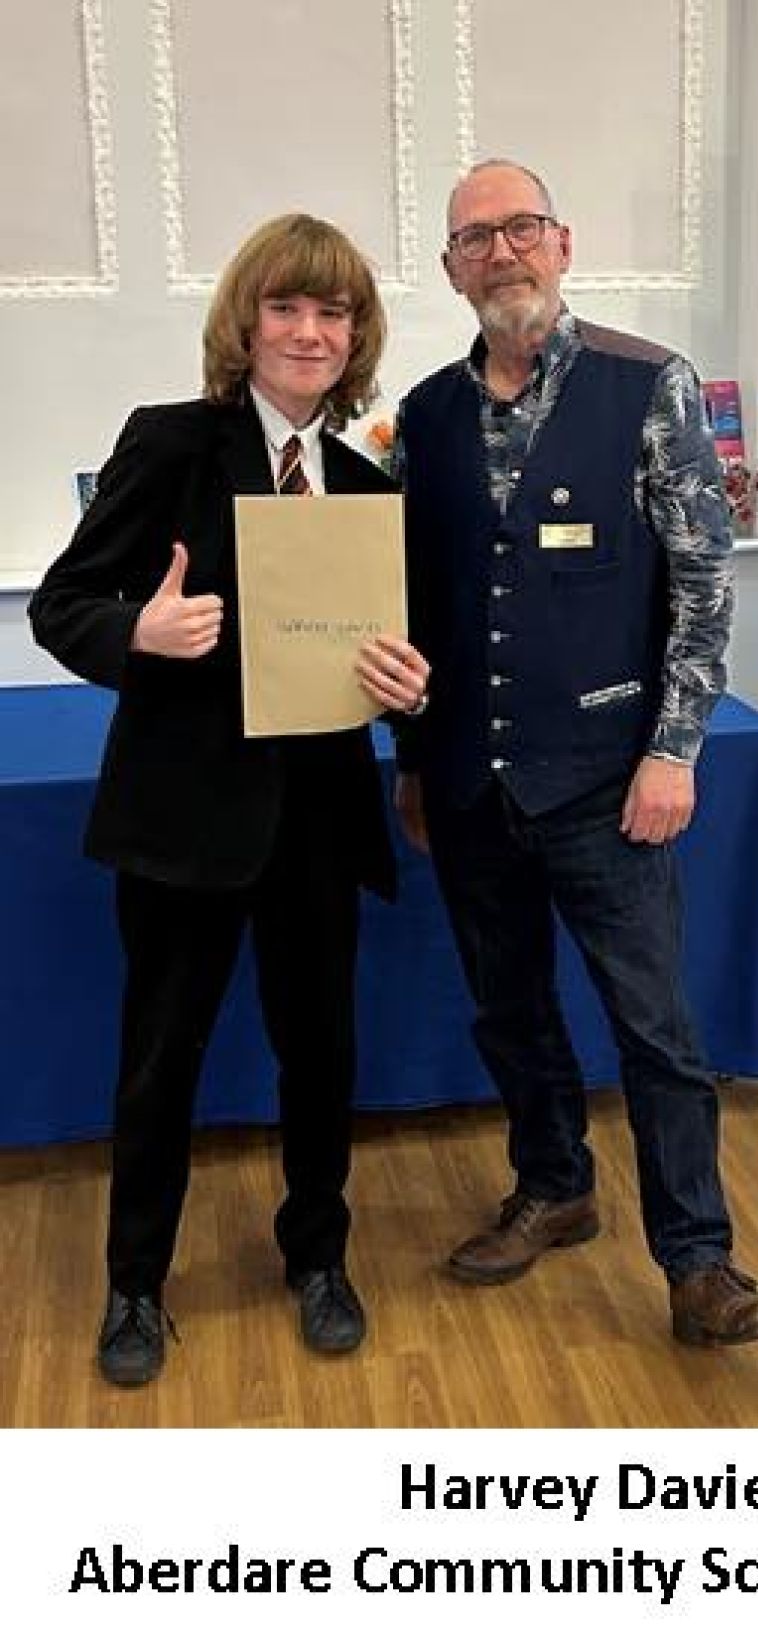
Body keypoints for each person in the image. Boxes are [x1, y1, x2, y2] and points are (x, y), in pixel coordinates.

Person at [358, 159, 758, 1347]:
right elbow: (416, 604)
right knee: (508, 1008)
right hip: (468, 781)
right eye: (475, 238)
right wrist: (413, 759)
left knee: (656, 1030)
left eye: (521, 228)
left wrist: (675, 749)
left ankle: (699, 1263)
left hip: (610, 780)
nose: (501, 251)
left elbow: (703, 581)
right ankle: (554, 1186)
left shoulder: (650, 383)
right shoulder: (424, 418)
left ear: (561, 243)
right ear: (452, 269)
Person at [28, 214, 430, 1387]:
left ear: (355, 336)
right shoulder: (170, 444)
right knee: (160, 1061)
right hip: (182, 817)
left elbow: (394, 655)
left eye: (332, 312)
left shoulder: (367, 483)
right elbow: (63, 604)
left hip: (318, 822)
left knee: (322, 1055)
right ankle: (135, 1283)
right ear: (245, 326)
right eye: (285, 308)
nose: (309, 331)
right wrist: (138, 631)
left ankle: (319, 1257)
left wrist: (411, 687)